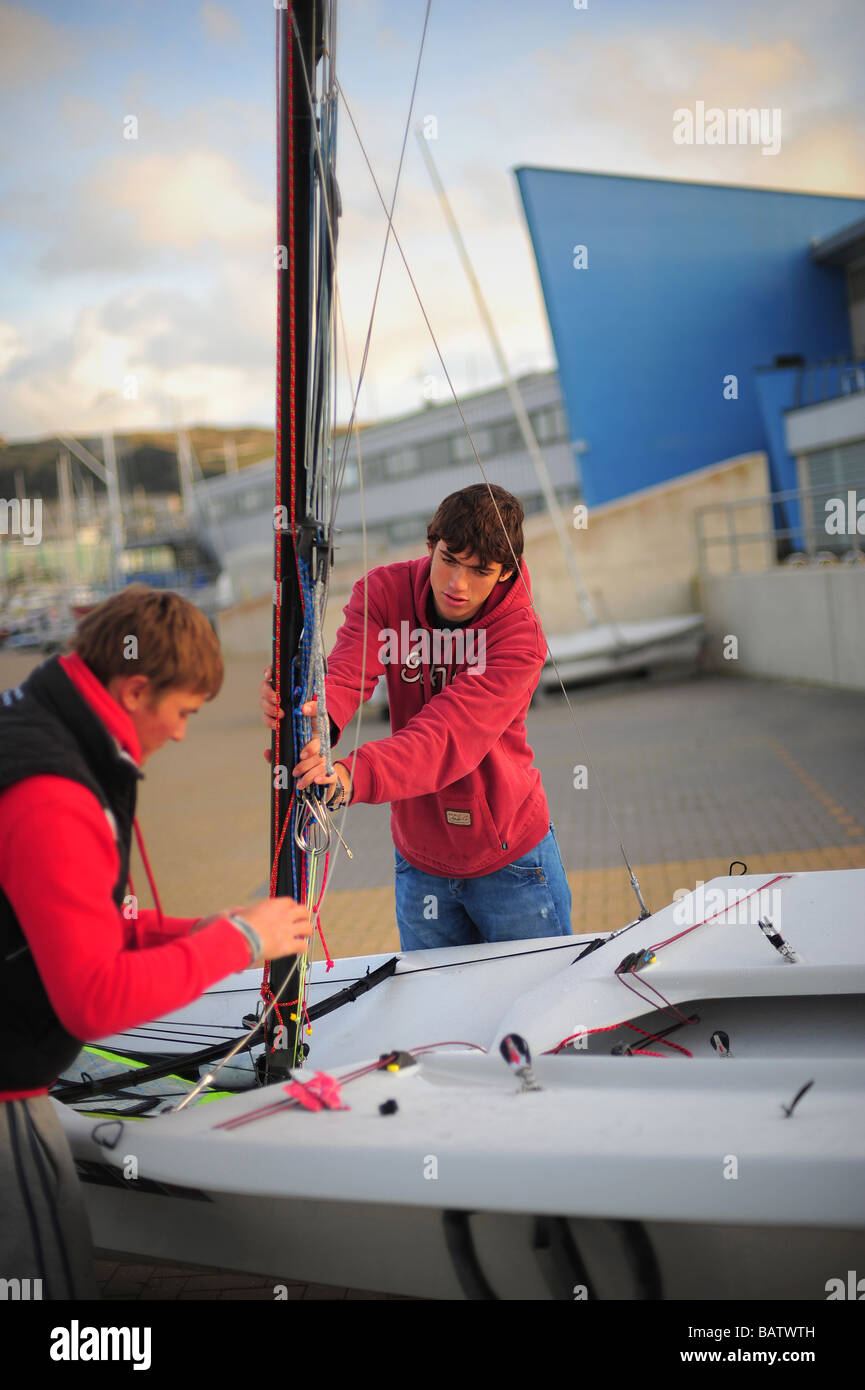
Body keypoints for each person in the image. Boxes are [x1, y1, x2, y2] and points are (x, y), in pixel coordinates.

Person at [0, 584, 312, 1300]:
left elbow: (55, 921)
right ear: (135, 689)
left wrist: (196, 930)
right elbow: (93, 1000)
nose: (182, 735)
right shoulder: (54, 793)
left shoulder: (34, 720)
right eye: (184, 713)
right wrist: (234, 943)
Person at [261, 483, 572, 950]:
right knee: (435, 1018)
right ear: (431, 545)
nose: (456, 583)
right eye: (448, 559)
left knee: (536, 1012)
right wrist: (308, 719)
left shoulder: (519, 637)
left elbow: (449, 733)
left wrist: (352, 775)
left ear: (505, 572)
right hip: (420, 861)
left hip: (513, 864)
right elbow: (345, 676)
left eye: (480, 570)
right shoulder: (384, 593)